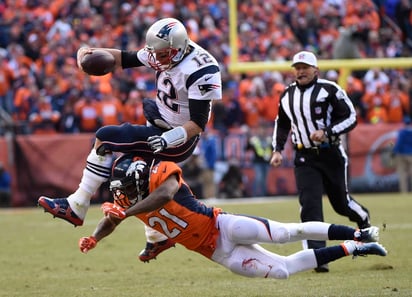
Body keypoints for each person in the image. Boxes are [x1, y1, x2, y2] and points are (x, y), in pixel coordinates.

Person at [38, 18, 222, 262]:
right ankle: (157, 238)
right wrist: (88, 55)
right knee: (136, 176)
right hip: (160, 122)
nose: (157, 60)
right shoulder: (164, 51)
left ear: (178, 49)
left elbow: (198, 124)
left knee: (104, 139)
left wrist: (168, 139)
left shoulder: (201, 70)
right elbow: (122, 58)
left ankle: (78, 205)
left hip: (179, 137)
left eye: (163, 55)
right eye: (155, 54)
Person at [78, 154, 386, 280]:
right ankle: (356, 249)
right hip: (216, 252)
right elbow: (113, 218)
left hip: (221, 225)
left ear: (137, 180)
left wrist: (128, 211)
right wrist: (95, 237)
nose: (123, 196)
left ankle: (357, 234)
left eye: (127, 190)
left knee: (283, 233)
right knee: (282, 272)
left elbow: (164, 197)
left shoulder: (162, 176)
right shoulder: (127, 198)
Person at [270, 51, 372, 273]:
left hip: (330, 153)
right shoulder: (287, 95)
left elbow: (351, 117)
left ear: (316, 70)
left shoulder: (330, 89)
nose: (300, 71)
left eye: (305, 67)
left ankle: (363, 219)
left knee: (341, 204)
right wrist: (277, 150)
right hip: (304, 156)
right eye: (297, 67)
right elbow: (282, 123)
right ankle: (317, 258)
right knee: (310, 205)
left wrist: (327, 131)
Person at [392, 118, 412, 193]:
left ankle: (404, 191)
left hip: (402, 154)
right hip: (411, 154)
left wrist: (394, 152)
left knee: (402, 174)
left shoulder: (402, 132)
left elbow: (399, 143)